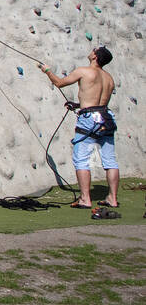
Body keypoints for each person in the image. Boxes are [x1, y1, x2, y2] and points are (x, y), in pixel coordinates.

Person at [39, 46, 119, 218]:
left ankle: (85, 198)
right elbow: (97, 100)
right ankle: (112, 198)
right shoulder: (109, 78)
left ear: (96, 56)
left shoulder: (84, 71)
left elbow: (59, 83)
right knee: (110, 159)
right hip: (106, 117)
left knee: (81, 158)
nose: (91, 50)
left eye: (94, 49)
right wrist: (77, 105)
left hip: (89, 118)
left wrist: (47, 71)